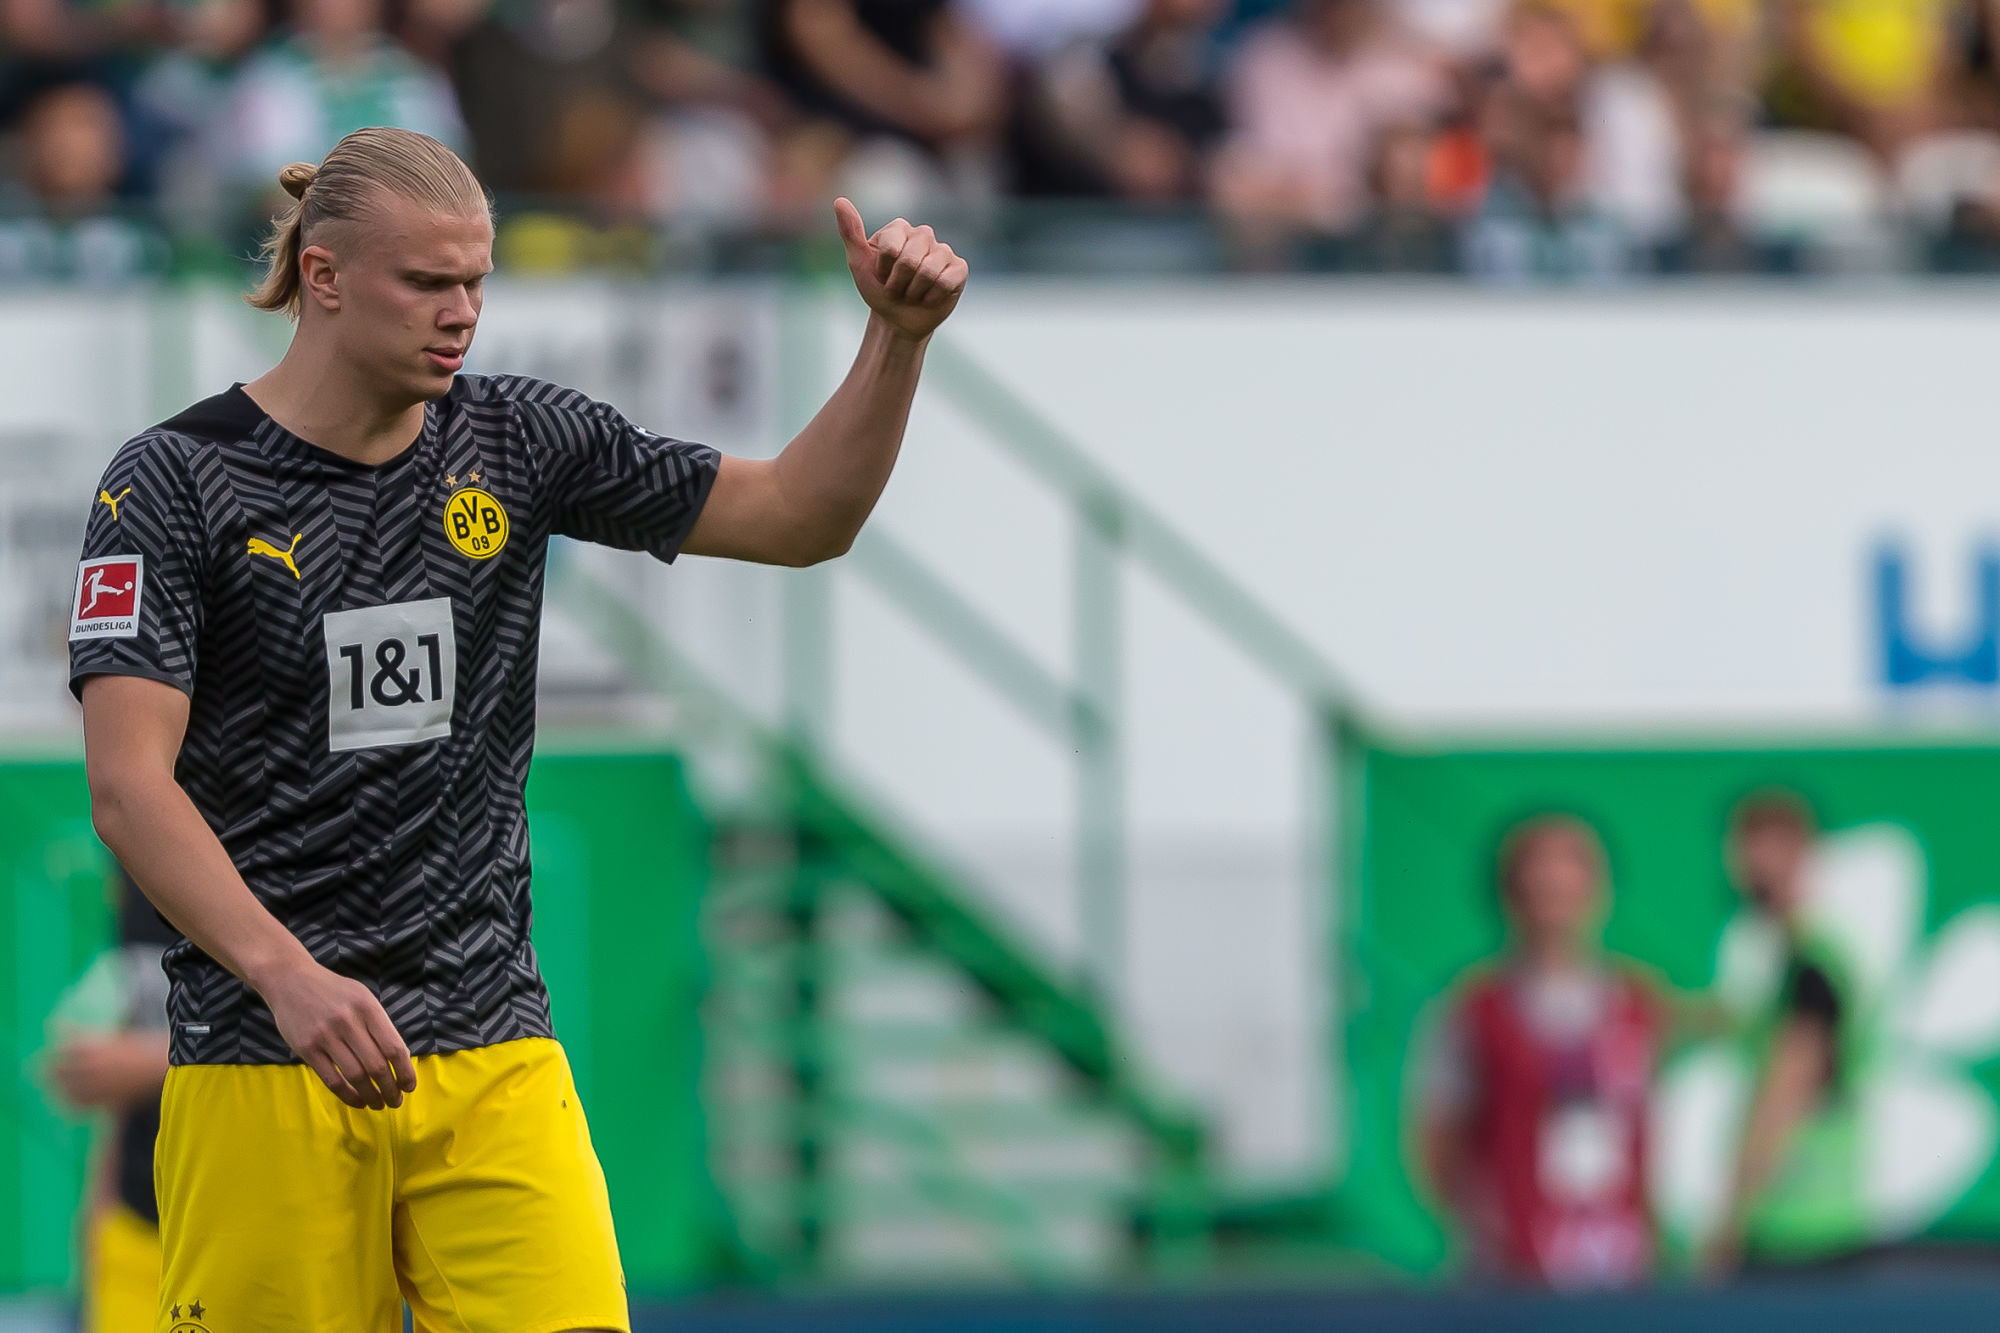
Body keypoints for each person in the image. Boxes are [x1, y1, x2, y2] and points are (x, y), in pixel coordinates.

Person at [69, 125, 965, 1331]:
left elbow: (800, 516)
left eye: (475, 283)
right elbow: (128, 787)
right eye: (426, 283)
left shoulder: (520, 439)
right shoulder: (171, 483)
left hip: (491, 1048)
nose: (461, 315)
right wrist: (286, 976)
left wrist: (895, 341)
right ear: (323, 277)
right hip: (262, 1058)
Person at [1416, 814, 1666, 1289]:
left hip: (1619, 1262)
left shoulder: (1636, 1006)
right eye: (1540, 882)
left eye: (1570, 879)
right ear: (1510, 895)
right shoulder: (1473, 1011)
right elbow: (1436, 1140)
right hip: (1513, 1270)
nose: (1555, 895)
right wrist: (1483, 1226)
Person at [1704, 791, 1867, 1274]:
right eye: (1748, 846)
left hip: (1799, 1231)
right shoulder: (1779, 960)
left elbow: (1786, 1090)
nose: (1756, 863)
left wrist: (1731, 1220)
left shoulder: (1812, 966)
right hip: (1804, 1226)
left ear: (1804, 854)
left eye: (1773, 846)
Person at [45, 868, 173, 1333]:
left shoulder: (280, 849)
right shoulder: (139, 867)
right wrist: (97, 1214)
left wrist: (152, 1060)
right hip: (137, 1222)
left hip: (242, 1224)